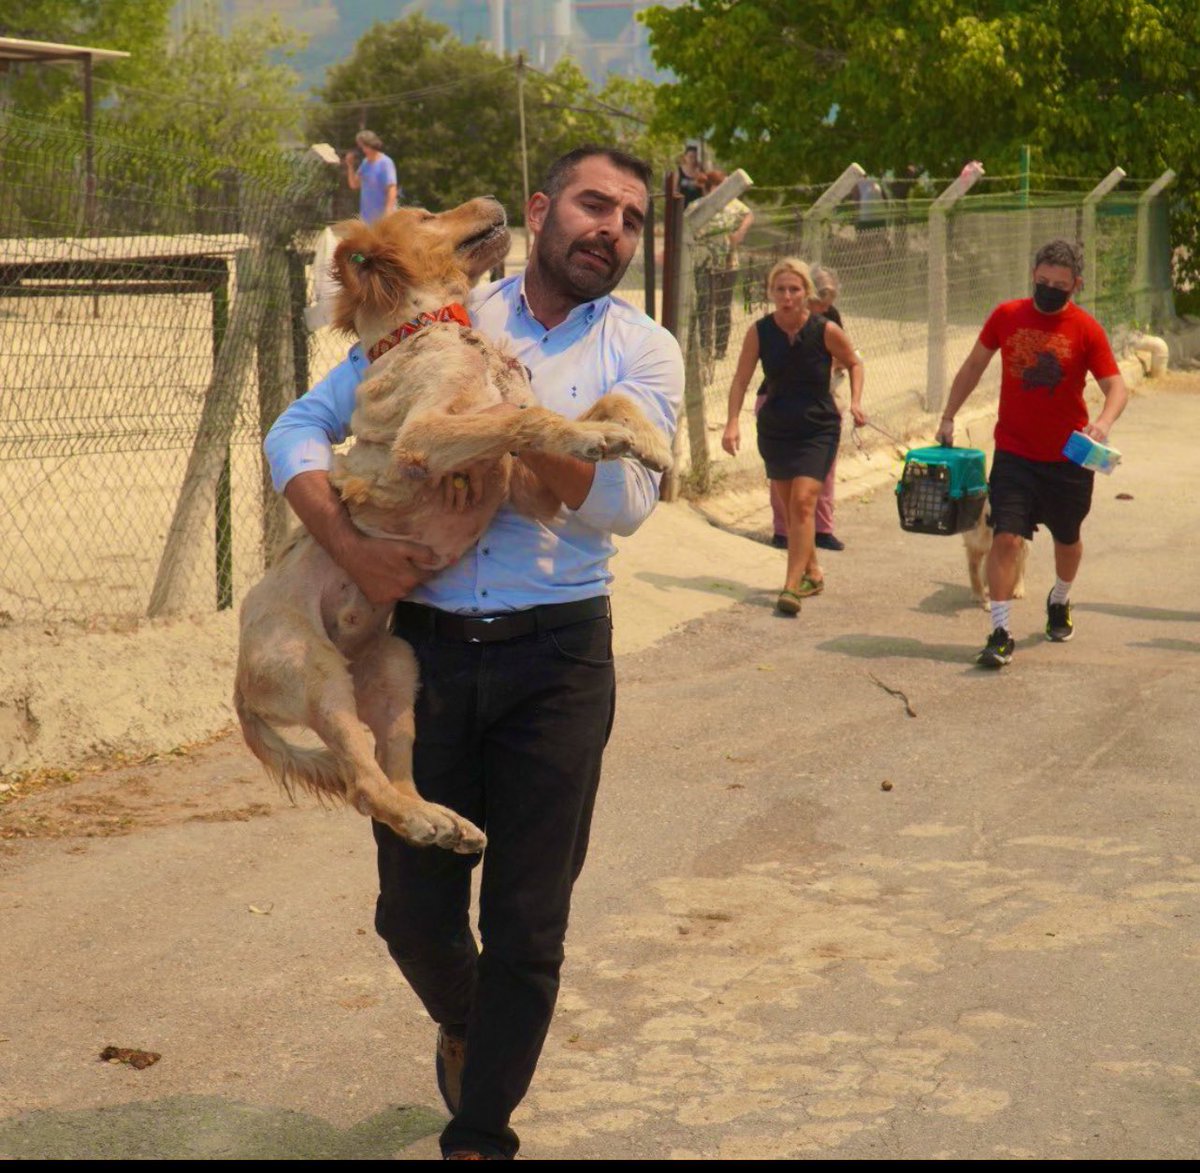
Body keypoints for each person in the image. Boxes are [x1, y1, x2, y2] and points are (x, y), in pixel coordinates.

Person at [263, 146, 683, 1159]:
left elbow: (622, 504)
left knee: (531, 927)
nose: (610, 229)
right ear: (542, 211)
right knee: (411, 916)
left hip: (559, 659)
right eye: (593, 205)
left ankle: (480, 1131)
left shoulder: (644, 349)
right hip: (427, 654)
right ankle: (473, 1025)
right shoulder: (445, 314)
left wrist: (501, 430)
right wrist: (352, 551)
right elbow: (298, 429)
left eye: (630, 218)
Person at [936, 238, 1128, 669]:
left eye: (1059, 284)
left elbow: (1116, 386)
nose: (1049, 289)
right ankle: (1000, 632)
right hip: (1015, 453)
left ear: (1075, 284)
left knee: (1068, 539)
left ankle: (1059, 600)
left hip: (1068, 457)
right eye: (1042, 281)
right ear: (1033, 276)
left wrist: (1105, 421)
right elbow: (972, 366)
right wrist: (949, 415)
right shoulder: (1006, 316)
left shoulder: (1086, 329)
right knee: (1006, 537)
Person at [722, 257, 866, 614]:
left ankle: (791, 585)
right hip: (777, 426)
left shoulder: (825, 329)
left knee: (803, 502)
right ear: (771, 293)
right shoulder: (760, 331)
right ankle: (813, 571)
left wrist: (857, 401)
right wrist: (731, 423)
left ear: (807, 293)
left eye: (794, 289)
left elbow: (854, 362)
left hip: (818, 425)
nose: (787, 296)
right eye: (781, 289)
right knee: (791, 509)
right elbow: (741, 379)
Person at [764, 264, 848, 551]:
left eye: (827, 307)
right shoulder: (774, 324)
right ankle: (784, 531)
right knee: (782, 476)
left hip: (821, 402)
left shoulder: (829, 321)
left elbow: (844, 356)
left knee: (823, 470)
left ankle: (822, 529)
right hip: (780, 402)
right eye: (818, 305)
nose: (822, 312)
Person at [693, 168, 754, 366]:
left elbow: (748, 214)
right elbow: (686, 227)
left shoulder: (733, 205)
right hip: (704, 264)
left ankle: (720, 347)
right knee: (704, 306)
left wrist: (740, 233)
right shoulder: (698, 206)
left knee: (723, 306)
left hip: (728, 264)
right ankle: (704, 345)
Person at [345, 129, 399, 223]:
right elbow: (354, 184)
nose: (362, 150)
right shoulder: (365, 163)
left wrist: (388, 212)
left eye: (364, 146)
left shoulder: (385, 163)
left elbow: (392, 189)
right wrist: (350, 166)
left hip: (383, 218)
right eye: (361, 147)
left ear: (372, 145)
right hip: (367, 218)